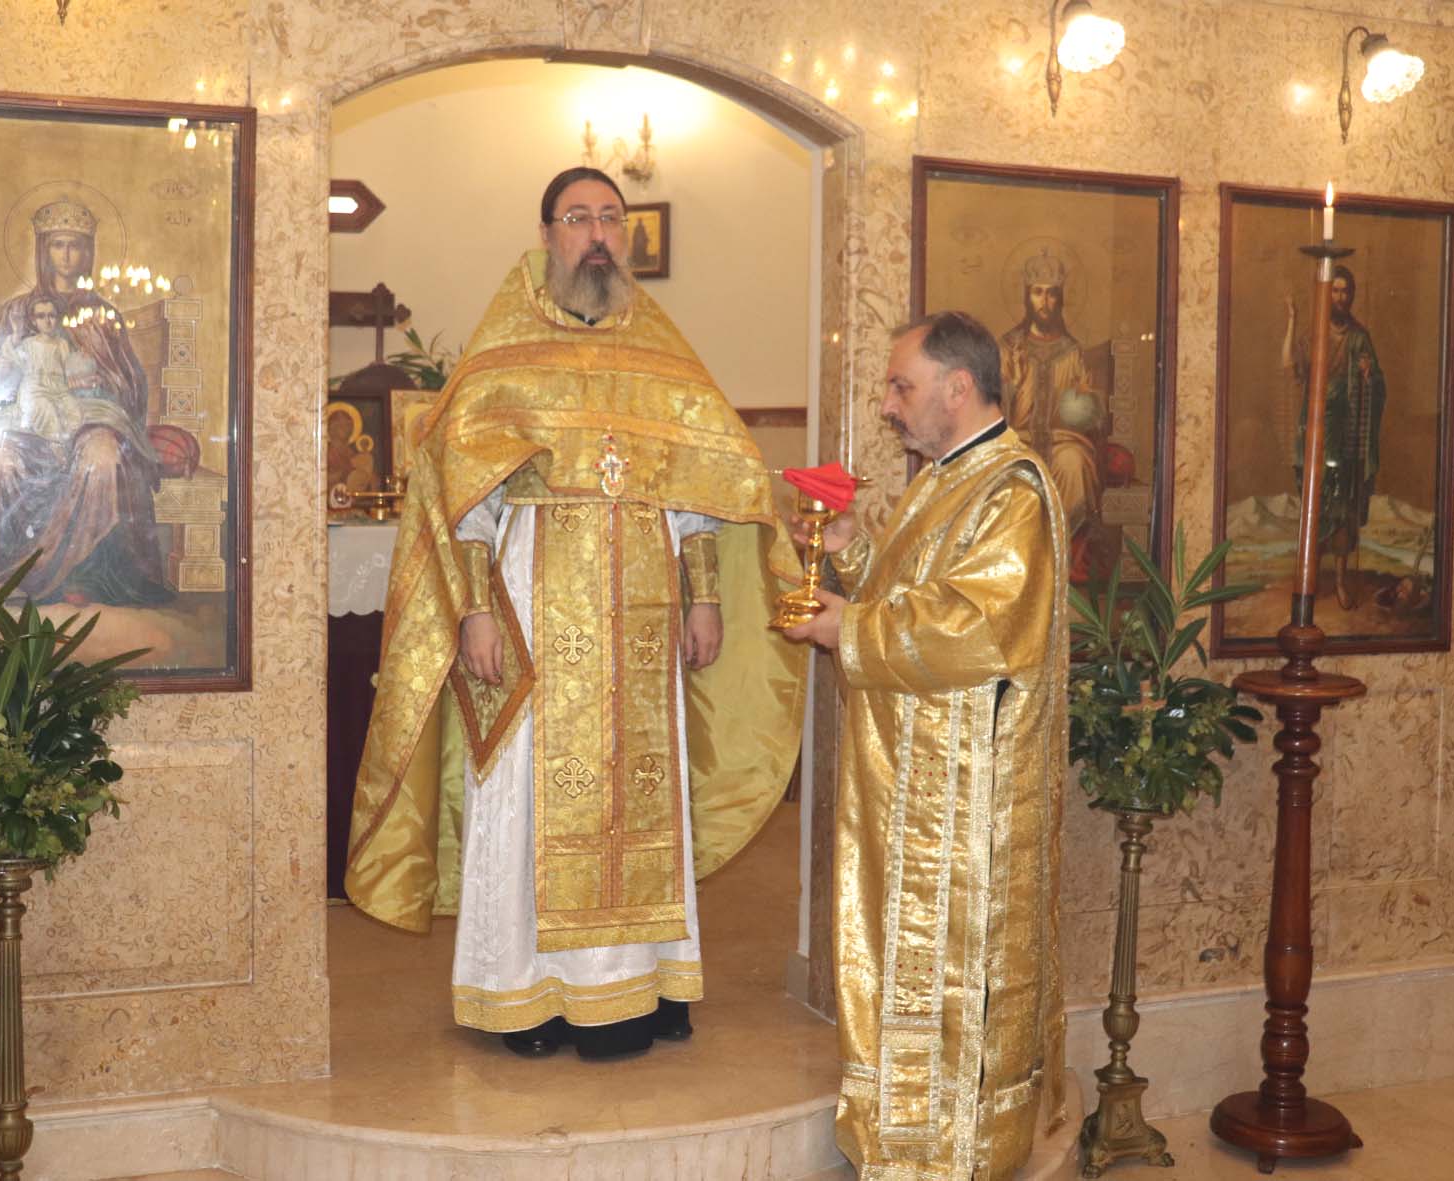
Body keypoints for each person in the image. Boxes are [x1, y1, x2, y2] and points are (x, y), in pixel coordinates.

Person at [346, 167, 805, 1060]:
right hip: (532, 604)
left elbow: (699, 489)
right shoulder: (505, 347)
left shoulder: (661, 349)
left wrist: (706, 596)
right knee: (526, 789)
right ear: (547, 234)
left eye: (611, 218)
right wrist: (475, 614)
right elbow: (464, 499)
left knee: (644, 794)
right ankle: (524, 995)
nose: (597, 234)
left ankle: (644, 986)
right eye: (579, 218)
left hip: (644, 620)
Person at [785, 312, 1069, 1179]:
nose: (888, 404)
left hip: (963, 806)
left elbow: (979, 626)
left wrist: (850, 627)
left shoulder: (1013, 490)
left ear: (958, 387)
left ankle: (955, 1151)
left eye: (901, 386)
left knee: (953, 975)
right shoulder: (947, 477)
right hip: (914, 787)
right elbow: (916, 587)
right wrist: (853, 553)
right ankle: (904, 1138)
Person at [0, 198, 171, 606]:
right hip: (27, 423)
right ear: (43, 249)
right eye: (58, 244)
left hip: (91, 420)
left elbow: (130, 382)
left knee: (103, 457)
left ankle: (86, 574)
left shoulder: (102, 316)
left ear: (88, 252)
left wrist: (98, 380)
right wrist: (0, 374)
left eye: (75, 245)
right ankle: (13, 574)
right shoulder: (17, 313)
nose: (67, 255)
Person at [1281, 265, 1386, 610]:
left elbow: (1377, 383)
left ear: (1351, 295)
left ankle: (1340, 581)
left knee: (1343, 509)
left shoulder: (1359, 336)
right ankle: (1308, 580)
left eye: (1345, 291)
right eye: (1335, 291)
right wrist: (1292, 319)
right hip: (1316, 432)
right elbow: (1290, 366)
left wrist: (1368, 376)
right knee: (1315, 504)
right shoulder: (1315, 335)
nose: (1340, 297)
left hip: (1347, 434)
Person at [998, 250, 1103, 555]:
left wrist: (1085, 402)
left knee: (1075, 463)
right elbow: (992, 410)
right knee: (1012, 467)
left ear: (1060, 299)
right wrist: (1012, 385)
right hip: (1017, 440)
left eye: (1051, 293)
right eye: (1037, 292)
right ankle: (1021, 556)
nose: (1044, 301)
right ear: (1026, 297)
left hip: (1061, 442)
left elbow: (1087, 417)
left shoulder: (1072, 352)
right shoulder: (1009, 347)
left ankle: (1061, 555)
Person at [0, 297, 85, 446]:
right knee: (47, 414)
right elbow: (11, 359)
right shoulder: (29, 343)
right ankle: (54, 449)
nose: (47, 321)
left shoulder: (62, 344)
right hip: (35, 389)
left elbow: (69, 367)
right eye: (41, 316)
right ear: (34, 321)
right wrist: (17, 332)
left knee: (75, 414)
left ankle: (66, 449)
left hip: (59, 389)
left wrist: (77, 374)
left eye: (51, 315)